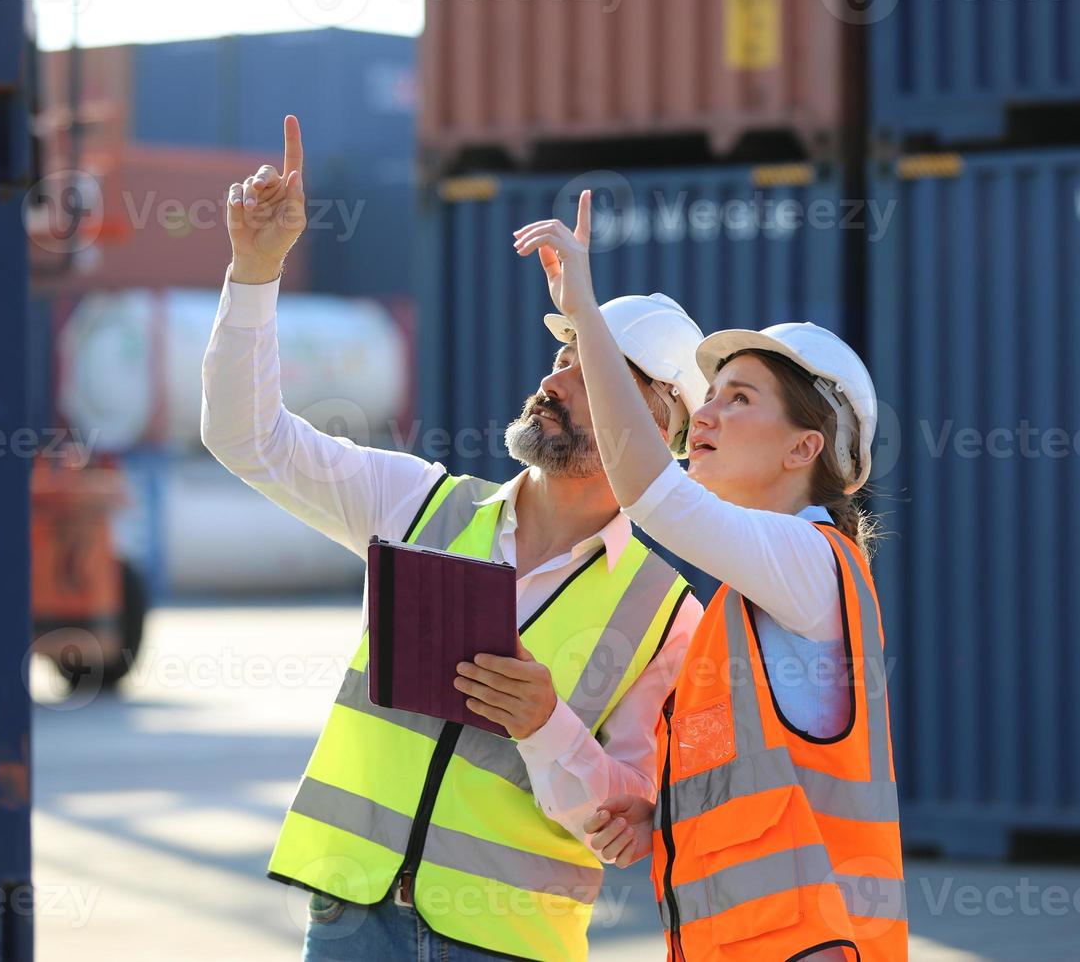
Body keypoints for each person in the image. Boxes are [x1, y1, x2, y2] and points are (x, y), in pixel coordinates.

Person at [202, 117, 709, 961]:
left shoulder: (669, 617)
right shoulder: (417, 503)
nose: (555, 379)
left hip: (506, 941)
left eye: (593, 375)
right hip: (350, 919)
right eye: (565, 355)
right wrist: (255, 274)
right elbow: (247, 439)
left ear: (652, 425)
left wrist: (547, 724)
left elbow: (625, 820)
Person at [514, 192, 908, 960]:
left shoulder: (811, 562)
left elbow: (651, 495)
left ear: (805, 450)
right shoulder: (747, 600)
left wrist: (586, 315)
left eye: (740, 399)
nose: (706, 416)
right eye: (712, 396)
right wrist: (657, 819)